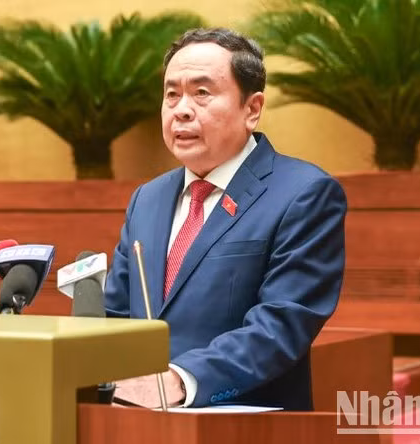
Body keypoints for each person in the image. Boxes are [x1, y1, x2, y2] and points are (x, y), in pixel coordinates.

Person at [103, 27, 347, 410]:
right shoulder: (147, 199)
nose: (182, 109)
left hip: (246, 422)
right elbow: (115, 314)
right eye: (171, 94)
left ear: (252, 109)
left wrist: (181, 380)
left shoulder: (304, 193)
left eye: (202, 92)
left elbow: (280, 326)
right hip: (134, 417)